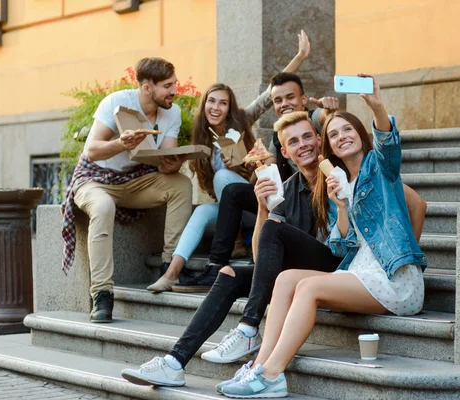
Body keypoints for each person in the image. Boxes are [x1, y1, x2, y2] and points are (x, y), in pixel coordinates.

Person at [218, 75, 427, 399]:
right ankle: (257, 367)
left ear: (361, 133)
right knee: (287, 279)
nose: (342, 136)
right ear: (328, 146)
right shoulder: (336, 185)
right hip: (359, 271)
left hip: (393, 278)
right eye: (334, 134)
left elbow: (388, 144)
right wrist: (341, 207)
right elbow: (340, 246)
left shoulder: (380, 169)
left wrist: (376, 106)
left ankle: (273, 375)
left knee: (310, 286)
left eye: (348, 129)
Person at [121, 111, 343, 387]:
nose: (304, 145)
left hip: (337, 267)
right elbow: (260, 254)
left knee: (274, 231)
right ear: (285, 152)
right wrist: (263, 207)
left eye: (308, 136)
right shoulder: (287, 189)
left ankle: (249, 327)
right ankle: (174, 362)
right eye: (295, 141)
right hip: (297, 273)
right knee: (228, 273)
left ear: (319, 139)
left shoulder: (336, 173)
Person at [145, 30, 325, 293]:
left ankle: (224, 256)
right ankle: (171, 272)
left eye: (223, 103)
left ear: (230, 108)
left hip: (255, 202)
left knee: (225, 180)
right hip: (231, 209)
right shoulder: (199, 140)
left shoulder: (242, 122)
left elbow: (273, 94)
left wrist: (299, 57)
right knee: (203, 211)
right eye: (212, 102)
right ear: (204, 105)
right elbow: (174, 163)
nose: (216, 108)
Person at [60, 57, 193, 323]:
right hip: (95, 179)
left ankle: (170, 265)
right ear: (147, 88)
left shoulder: (172, 112)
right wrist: (121, 144)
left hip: (136, 180)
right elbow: (93, 150)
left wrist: (173, 162)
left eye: (175, 84)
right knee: (103, 206)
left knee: (181, 184)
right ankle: (102, 294)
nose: (174, 91)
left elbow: (163, 161)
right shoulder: (116, 103)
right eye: (167, 86)